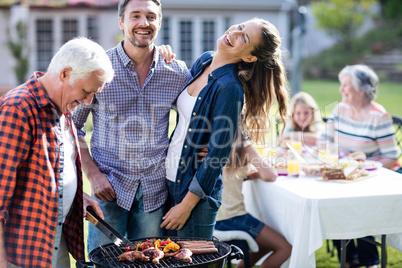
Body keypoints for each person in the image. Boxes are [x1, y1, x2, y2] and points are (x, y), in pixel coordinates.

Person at [73, 0, 192, 252]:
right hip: (108, 190)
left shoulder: (177, 72)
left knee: (150, 261)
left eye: (150, 16)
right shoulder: (98, 69)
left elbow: (193, 118)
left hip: (155, 191)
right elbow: (72, 128)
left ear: (159, 23)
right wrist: (93, 176)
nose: (143, 23)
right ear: (121, 22)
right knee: (102, 260)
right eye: (135, 15)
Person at [160, 18, 289, 239]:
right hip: (172, 178)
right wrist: (164, 61)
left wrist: (186, 206)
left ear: (250, 57)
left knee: (193, 261)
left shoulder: (230, 88)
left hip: (194, 195)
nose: (235, 33)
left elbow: (217, 157)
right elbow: (181, 106)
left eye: (244, 37)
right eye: (239, 27)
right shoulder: (204, 61)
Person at [0, 37, 112, 267]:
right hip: (22, 257)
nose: (88, 101)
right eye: (86, 91)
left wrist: (74, 199)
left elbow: (48, 171)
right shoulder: (18, 109)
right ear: (64, 74)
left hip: (54, 244)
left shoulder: (63, 107)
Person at [322, 64, 400, 268]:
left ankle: (369, 261)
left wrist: (363, 168)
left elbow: (391, 156)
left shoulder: (378, 115)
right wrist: (339, 157)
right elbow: (325, 141)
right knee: (331, 200)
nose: (341, 90)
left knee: (360, 206)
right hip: (341, 174)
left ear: (363, 89)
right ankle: (348, 259)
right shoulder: (340, 109)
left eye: (346, 85)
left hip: (369, 177)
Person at [215, 129, 292, 268]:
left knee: (266, 244)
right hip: (232, 217)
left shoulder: (213, 140)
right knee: (285, 248)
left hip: (213, 217)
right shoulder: (244, 146)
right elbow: (270, 175)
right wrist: (256, 175)